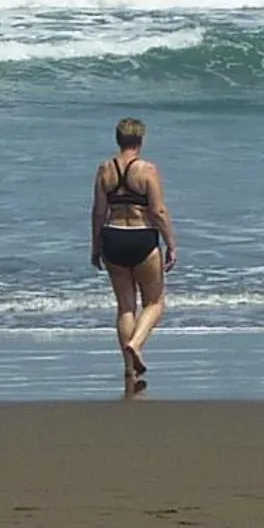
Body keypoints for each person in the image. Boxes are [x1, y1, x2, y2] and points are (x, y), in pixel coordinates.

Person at [91, 117, 177, 394]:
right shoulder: (147, 170)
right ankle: (136, 344)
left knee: (125, 307)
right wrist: (171, 244)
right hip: (141, 237)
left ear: (118, 139)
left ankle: (129, 369)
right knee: (155, 302)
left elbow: (98, 212)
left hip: (113, 237)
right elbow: (158, 211)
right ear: (141, 140)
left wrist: (95, 246)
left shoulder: (105, 169)